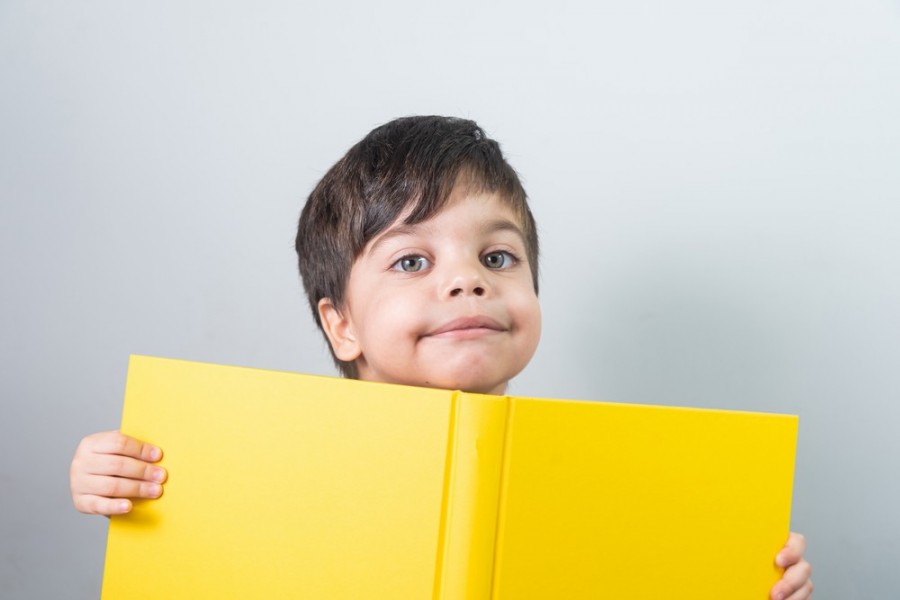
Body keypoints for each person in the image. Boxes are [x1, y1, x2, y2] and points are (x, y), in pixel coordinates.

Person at [69, 116, 813, 599]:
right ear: (341, 325)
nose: (468, 278)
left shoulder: (614, 485)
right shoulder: (264, 460)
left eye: (497, 255)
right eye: (410, 263)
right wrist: (112, 473)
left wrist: (749, 580)